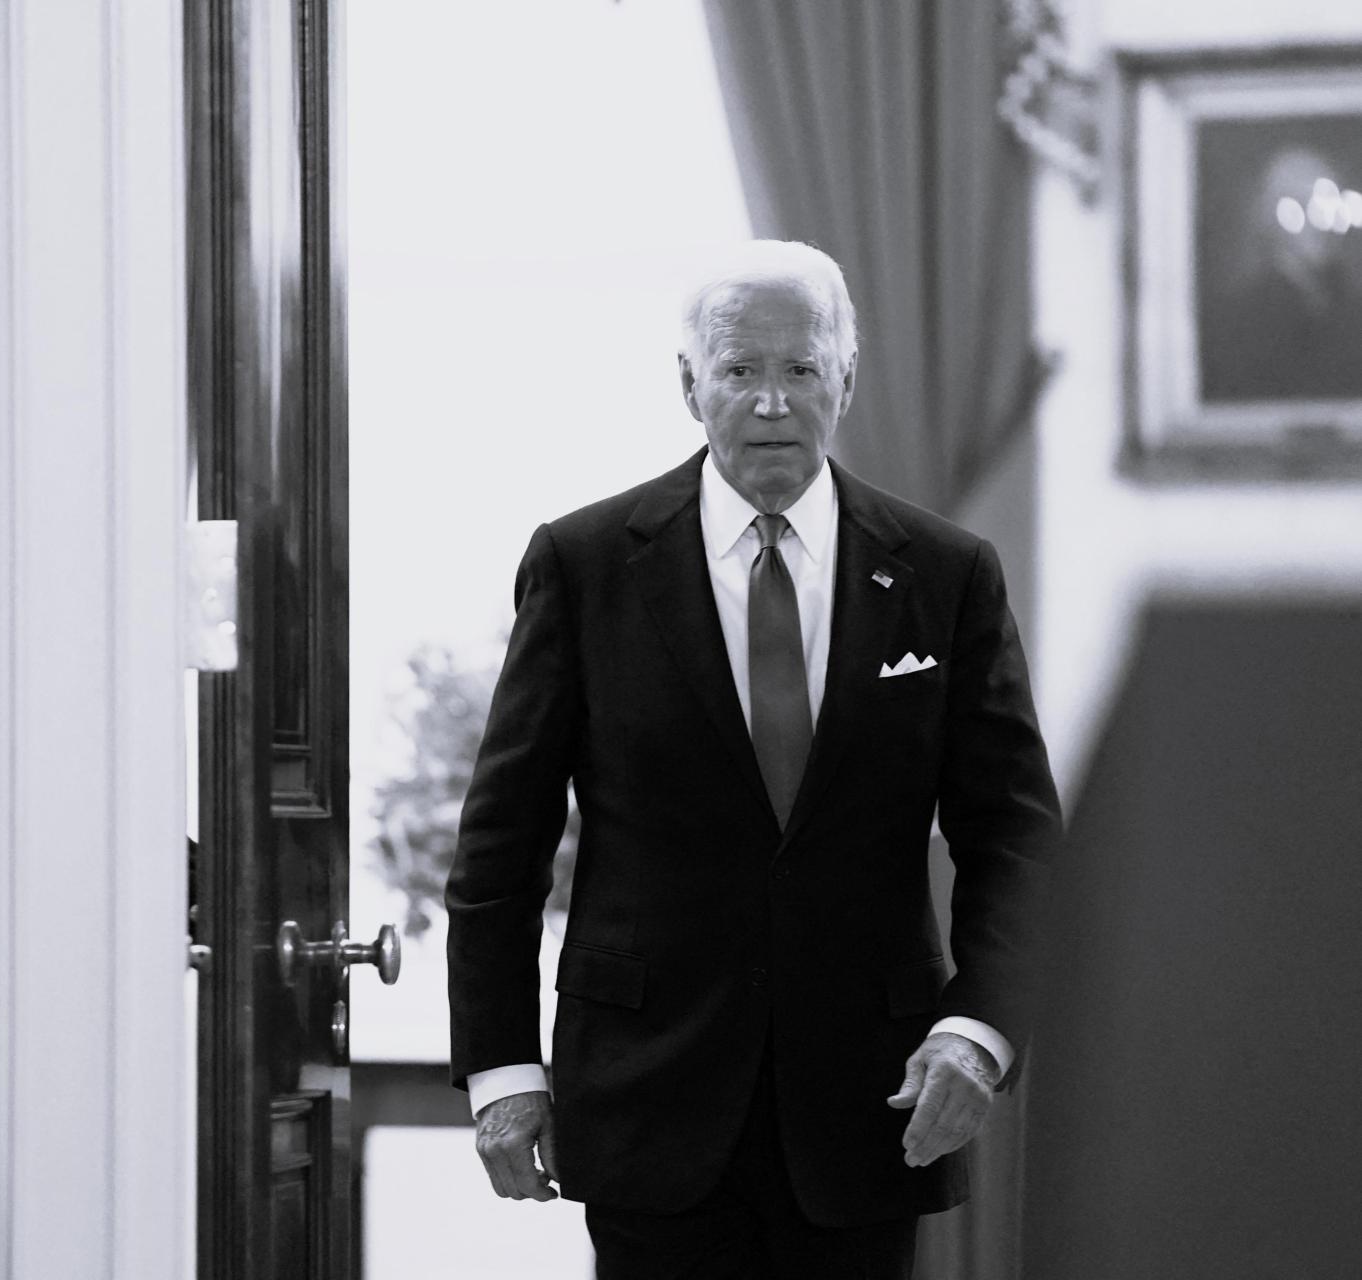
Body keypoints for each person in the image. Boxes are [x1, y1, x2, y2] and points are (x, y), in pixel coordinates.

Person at [445, 239, 1062, 1278]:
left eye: (800, 369)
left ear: (846, 380)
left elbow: (1015, 838)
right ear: (689, 384)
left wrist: (979, 1026)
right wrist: (502, 1066)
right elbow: (501, 842)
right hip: (649, 1098)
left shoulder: (944, 576)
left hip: (873, 1104)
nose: (771, 402)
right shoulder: (584, 562)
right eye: (739, 370)